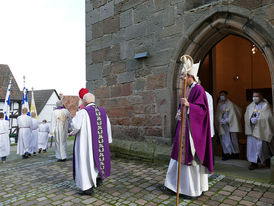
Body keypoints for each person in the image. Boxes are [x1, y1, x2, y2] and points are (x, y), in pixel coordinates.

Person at [164, 61, 213, 198]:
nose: (181, 78)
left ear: (190, 76)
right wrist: (180, 111)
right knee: (177, 157)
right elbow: (183, 107)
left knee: (189, 159)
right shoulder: (187, 88)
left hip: (191, 133)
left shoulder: (198, 89)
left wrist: (189, 106)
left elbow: (203, 110)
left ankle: (191, 190)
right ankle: (173, 185)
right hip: (183, 128)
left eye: (183, 75)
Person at [70, 93, 112, 195]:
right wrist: (108, 140)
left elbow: (75, 126)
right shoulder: (102, 111)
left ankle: (86, 187)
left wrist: (72, 130)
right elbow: (108, 126)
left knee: (85, 162)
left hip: (86, 143)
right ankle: (97, 178)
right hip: (99, 142)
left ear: (84, 101)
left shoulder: (83, 112)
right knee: (96, 161)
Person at [245, 91, 274, 170]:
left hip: (262, 131)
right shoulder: (250, 106)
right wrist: (250, 120)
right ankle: (253, 163)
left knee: (263, 147)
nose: (255, 98)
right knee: (252, 148)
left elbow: (269, 117)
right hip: (252, 131)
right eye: (253, 96)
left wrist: (258, 120)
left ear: (261, 97)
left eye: (257, 96)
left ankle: (267, 161)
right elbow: (246, 116)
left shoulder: (266, 106)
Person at [215, 91, 242, 160]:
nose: (222, 96)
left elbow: (233, 115)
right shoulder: (219, 104)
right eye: (220, 95)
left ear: (226, 96)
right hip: (222, 125)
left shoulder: (230, 104)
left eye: (223, 95)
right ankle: (226, 154)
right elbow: (218, 114)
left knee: (232, 140)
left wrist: (227, 120)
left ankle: (235, 154)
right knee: (224, 140)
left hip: (230, 125)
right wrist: (220, 120)